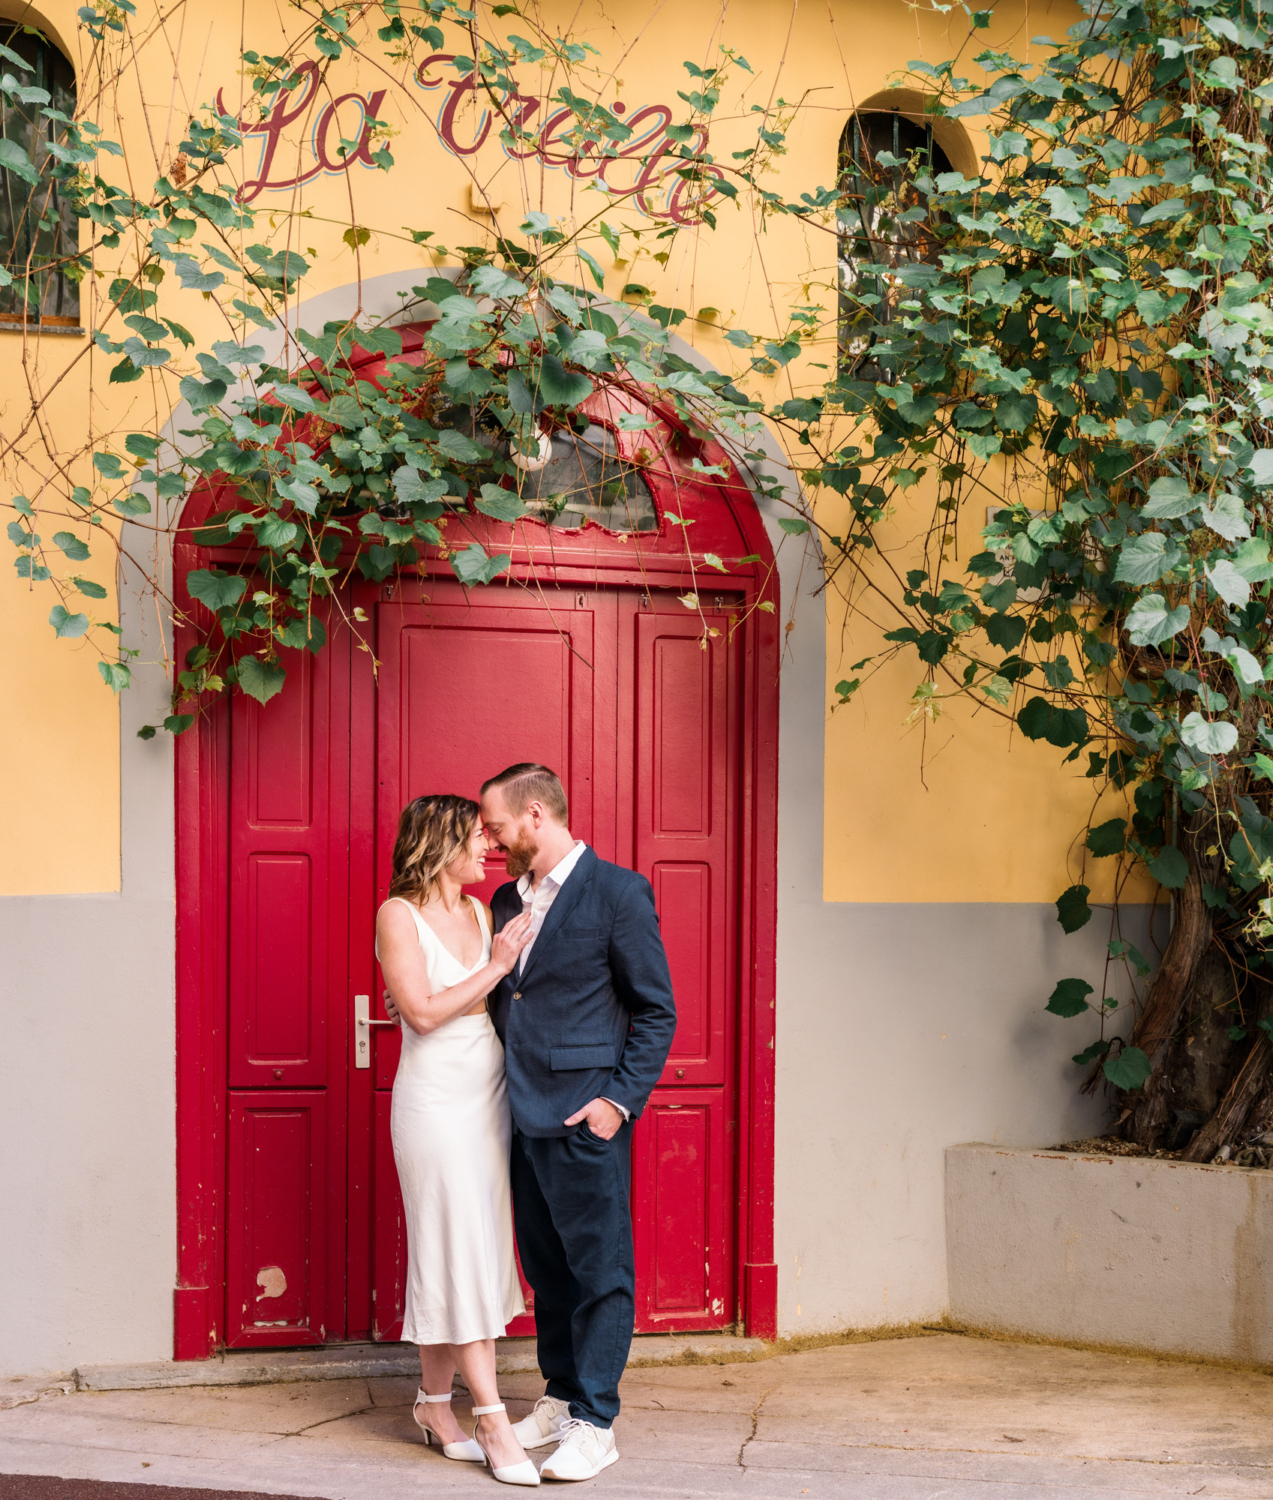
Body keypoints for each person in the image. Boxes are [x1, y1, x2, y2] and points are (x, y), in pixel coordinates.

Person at [480, 762, 677, 1483]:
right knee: (547, 1269)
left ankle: (596, 1421)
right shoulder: (506, 899)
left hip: (584, 1115)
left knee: (599, 1271)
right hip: (518, 1113)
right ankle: (561, 1396)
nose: (492, 839)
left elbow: (656, 1009)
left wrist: (614, 1103)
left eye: (498, 825)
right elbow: (512, 998)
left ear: (536, 815)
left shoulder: (618, 892)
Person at [375, 793, 540, 1487]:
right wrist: (493, 970)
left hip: (488, 1098)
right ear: (439, 843)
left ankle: (434, 1405)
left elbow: (468, 1004)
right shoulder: (397, 915)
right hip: (435, 1106)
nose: (488, 849)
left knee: (462, 1246)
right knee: (459, 1245)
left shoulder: (480, 911)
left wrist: (476, 985)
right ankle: (492, 1417)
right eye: (475, 838)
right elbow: (420, 1011)